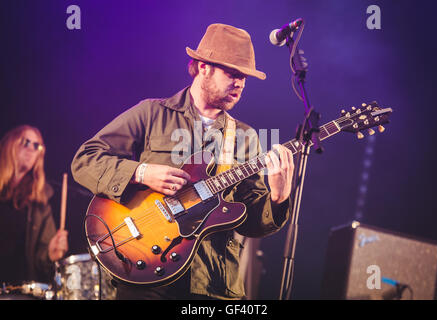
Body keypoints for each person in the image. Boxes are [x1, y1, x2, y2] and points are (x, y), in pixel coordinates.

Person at [71, 23, 294, 300]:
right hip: (145, 275)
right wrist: (141, 172)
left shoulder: (246, 137)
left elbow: (250, 222)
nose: (239, 83)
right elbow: (85, 159)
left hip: (213, 283)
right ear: (203, 67)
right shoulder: (151, 113)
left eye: (244, 78)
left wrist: (278, 197)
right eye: (232, 73)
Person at [0, 125, 68, 288]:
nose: (31, 149)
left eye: (37, 145)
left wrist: (50, 254)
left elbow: (40, 259)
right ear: (10, 144)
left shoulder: (40, 203)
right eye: (26, 142)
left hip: (17, 290)